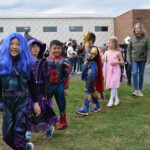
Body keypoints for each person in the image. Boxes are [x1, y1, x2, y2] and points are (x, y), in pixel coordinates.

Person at [0, 33, 41, 150]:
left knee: (19, 132)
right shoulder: (1, 65)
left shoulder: (26, 64)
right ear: (6, 46)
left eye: (18, 44)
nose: (14, 46)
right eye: (11, 44)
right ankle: (26, 147)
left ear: (22, 46)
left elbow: (32, 84)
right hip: (7, 102)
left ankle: (22, 146)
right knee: (7, 137)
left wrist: (36, 102)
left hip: (23, 101)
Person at [24, 31, 59, 140]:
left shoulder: (44, 62)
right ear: (29, 48)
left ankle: (49, 128)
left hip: (41, 91)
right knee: (28, 113)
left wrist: (47, 92)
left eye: (37, 46)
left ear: (40, 49)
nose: (35, 48)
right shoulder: (25, 61)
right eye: (33, 46)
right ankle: (27, 135)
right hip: (28, 91)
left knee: (43, 113)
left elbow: (47, 77)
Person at [76, 32, 104, 116]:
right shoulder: (89, 48)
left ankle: (85, 109)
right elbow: (80, 54)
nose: (85, 42)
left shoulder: (94, 48)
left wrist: (87, 49)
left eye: (86, 40)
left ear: (91, 41)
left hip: (92, 70)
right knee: (91, 89)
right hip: (89, 70)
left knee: (87, 89)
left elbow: (88, 58)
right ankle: (97, 106)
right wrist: (82, 49)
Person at [48, 40, 71, 130]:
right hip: (49, 86)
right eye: (54, 48)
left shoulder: (64, 61)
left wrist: (65, 88)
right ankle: (51, 120)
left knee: (61, 104)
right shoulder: (46, 60)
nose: (56, 50)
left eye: (58, 48)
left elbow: (67, 75)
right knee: (47, 104)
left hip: (59, 85)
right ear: (50, 49)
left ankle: (63, 122)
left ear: (61, 49)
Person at [127, 23, 150, 96]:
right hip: (134, 59)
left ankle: (140, 90)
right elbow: (129, 49)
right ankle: (136, 90)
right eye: (135, 28)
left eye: (138, 28)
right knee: (135, 73)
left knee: (141, 74)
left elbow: (149, 49)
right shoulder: (132, 38)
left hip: (143, 59)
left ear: (141, 29)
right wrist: (128, 58)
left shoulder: (146, 38)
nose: (137, 29)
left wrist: (148, 59)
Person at [102, 36, 124, 107]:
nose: (108, 44)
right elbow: (103, 60)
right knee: (112, 86)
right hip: (109, 71)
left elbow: (122, 62)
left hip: (116, 70)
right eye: (107, 43)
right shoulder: (107, 52)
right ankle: (117, 99)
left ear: (114, 44)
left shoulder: (118, 53)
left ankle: (111, 100)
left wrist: (116, 62)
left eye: (109, 43)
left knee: (113, 84)